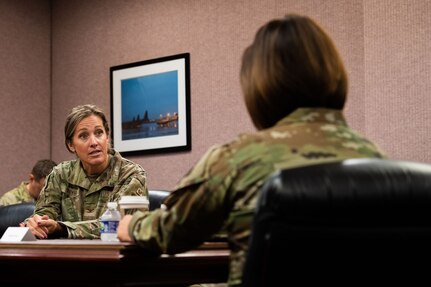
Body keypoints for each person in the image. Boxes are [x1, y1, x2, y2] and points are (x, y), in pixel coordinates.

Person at [117, 14, 387, 286]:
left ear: (261, 87)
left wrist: (132, 225)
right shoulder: (378, 162)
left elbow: (170, 231)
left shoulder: (236, 159)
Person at [23, 104, 148, 239]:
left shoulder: (131, 174)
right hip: (70, 256)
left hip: (115, 256)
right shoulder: (60, 175)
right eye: (83, 136)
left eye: (99, 133)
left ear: (107, 137)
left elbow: (117, 226)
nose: (94, 142)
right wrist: (37, 223)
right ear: (71, 145)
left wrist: (62, 229)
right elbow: (44, 213)